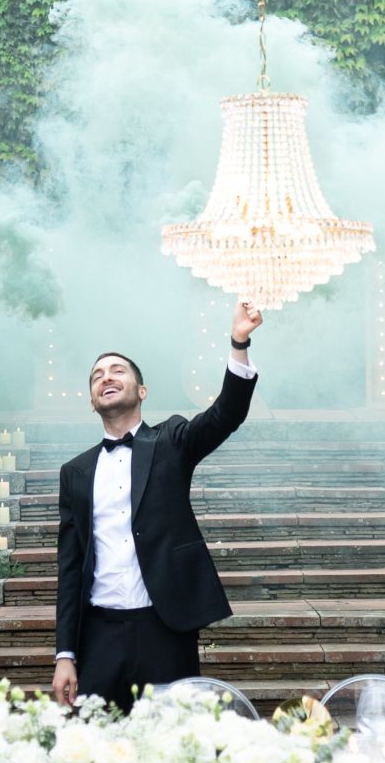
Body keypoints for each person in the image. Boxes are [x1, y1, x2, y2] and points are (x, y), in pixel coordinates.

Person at [51, 301, 261, 713]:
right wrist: (65, 654)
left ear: (141, 391)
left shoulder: (170, 441)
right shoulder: (74, 472)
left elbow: (226, 414)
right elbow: (70, 567)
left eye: (117, 371)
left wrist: (239, 342)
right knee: (96, 749)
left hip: (165, 626)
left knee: (173, 744)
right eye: (97, 376)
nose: (106, 377)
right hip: (99, 633)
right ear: (92, 400)